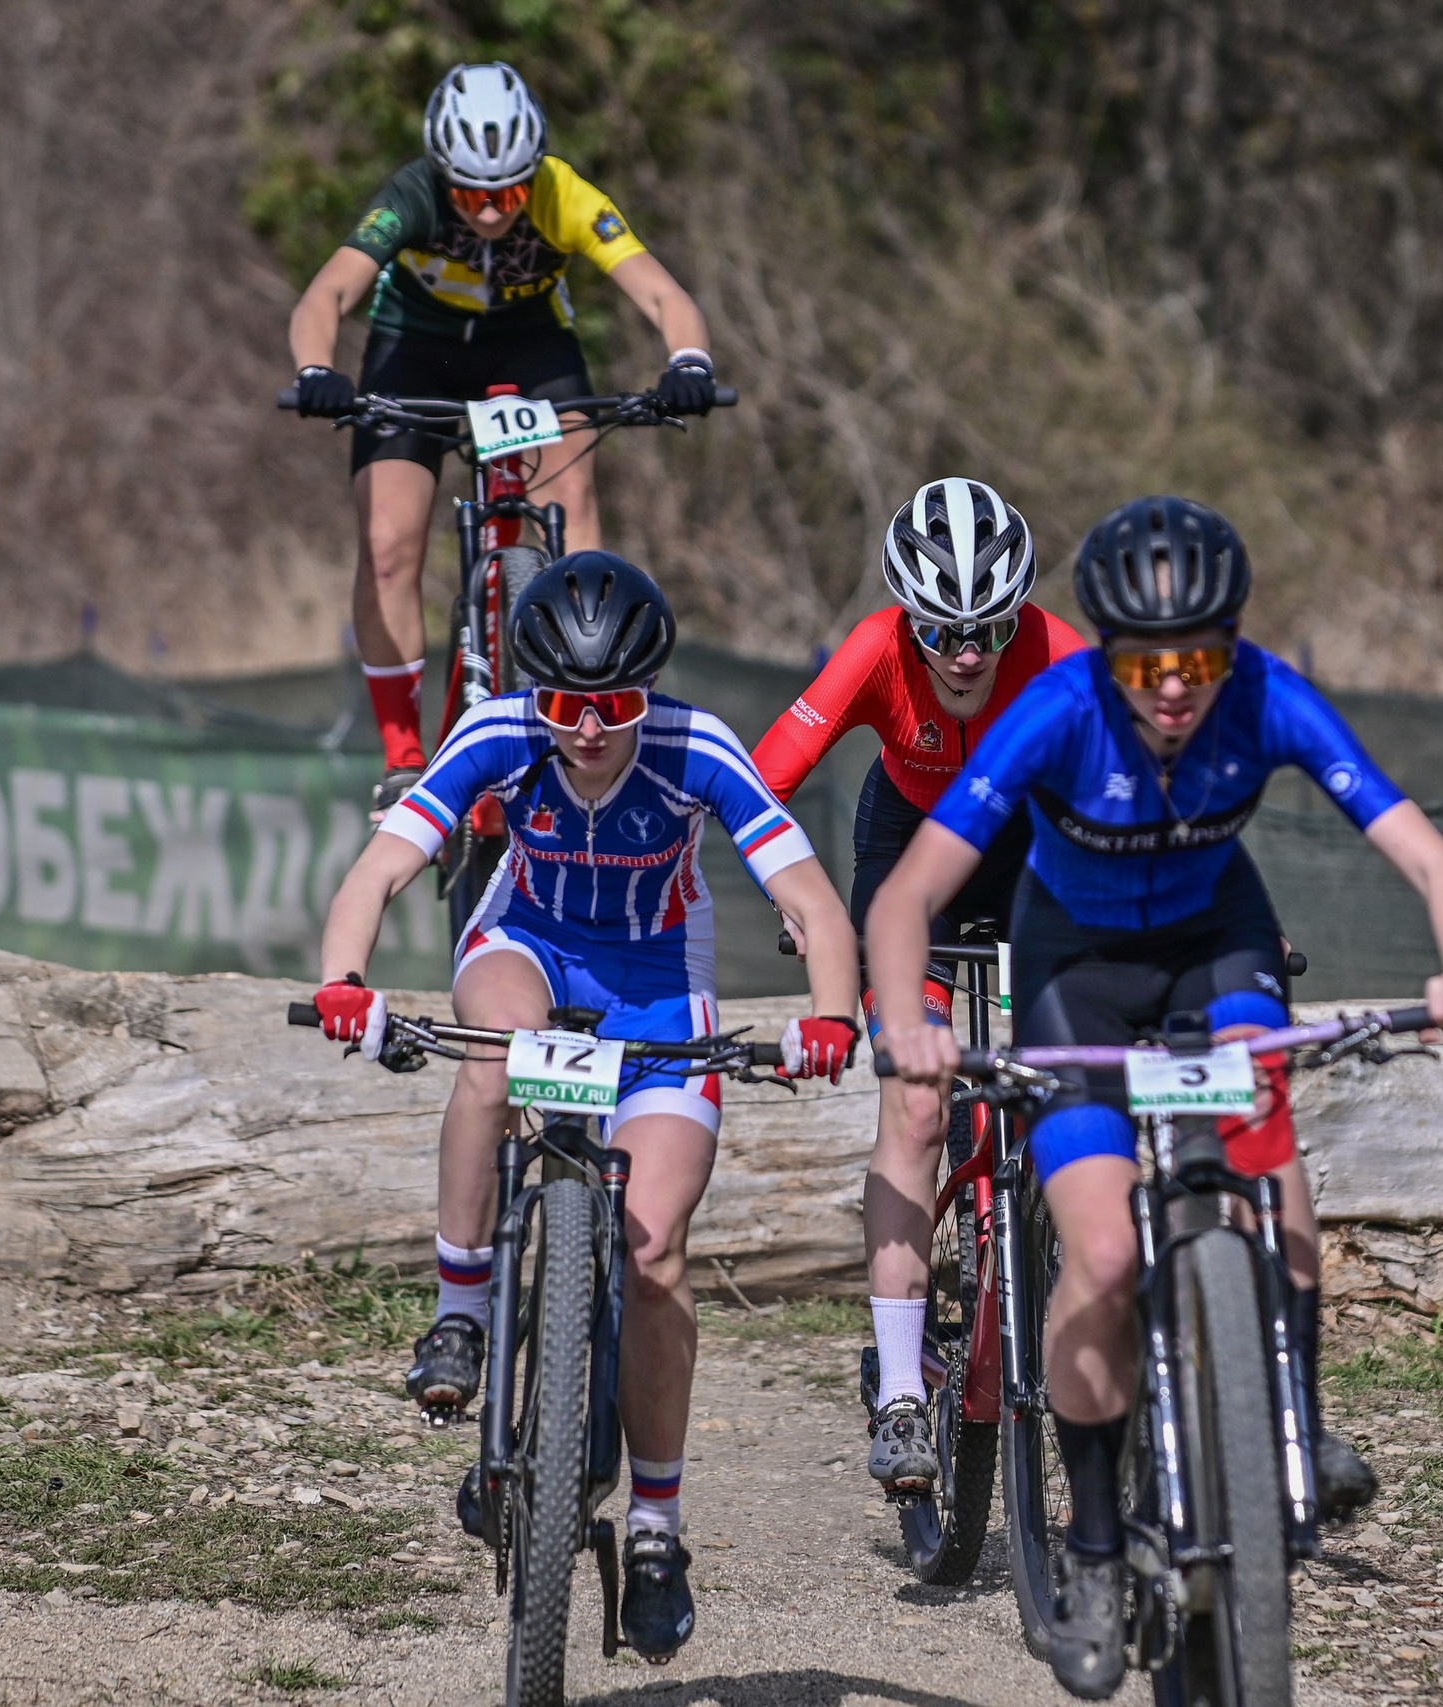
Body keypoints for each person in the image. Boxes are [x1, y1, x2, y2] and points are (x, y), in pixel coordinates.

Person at [866, 496, 1443, 1700]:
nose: (1173, 687)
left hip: (1220, 946)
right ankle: (1094, 1550)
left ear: (1230, 647)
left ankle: (1295, 1423)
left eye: (1197, 661)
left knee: (1274, 1168)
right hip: (1075, 973)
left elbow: (1428, 854)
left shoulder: (1266, 697)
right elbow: (906, 899)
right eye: (1146, 664)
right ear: (1106, 654)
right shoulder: (1054, 710)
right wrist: (906, 1021)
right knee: (1099, 1258)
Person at [311, 551, 861, 1661]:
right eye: (566, 705)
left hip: (662, 986)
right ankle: (461, 1311)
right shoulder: (498, 733)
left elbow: (811, 899)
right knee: (493, 1055)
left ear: (647, 691)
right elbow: (376, 873)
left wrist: (832, 1016)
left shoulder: (696, 748)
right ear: (537, 695)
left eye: (614, 705)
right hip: (532, 946)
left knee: (655, 1252)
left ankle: (655, 1527)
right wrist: (345, 983)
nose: (591, 728)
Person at [751, 477, 1087, 1496]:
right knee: (916, 1106)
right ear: (909, 617)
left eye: (988, 627)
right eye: (943, 632)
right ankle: (901, 1393)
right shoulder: (872, 649)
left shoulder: (1063, 657)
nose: (968, 654)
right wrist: (792, 891)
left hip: (1031, 856)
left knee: (1078, 1078)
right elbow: (763, 772)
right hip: (910, 868)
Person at [286, 62, 721, 809]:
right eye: (473, 194)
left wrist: (689, 359)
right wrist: (317, 369)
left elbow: (658, 288)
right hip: (416, 347)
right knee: (390, 542)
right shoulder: (413, 193)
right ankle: (401, 753)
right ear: (442, 173)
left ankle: (590, 695)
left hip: (528, 343)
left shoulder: (564, 192)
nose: (491, 212)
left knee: (576, 494)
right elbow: (327, 291)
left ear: (535, 173)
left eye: (510, 193)